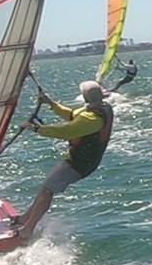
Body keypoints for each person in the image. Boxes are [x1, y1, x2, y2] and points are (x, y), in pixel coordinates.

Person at [16, 79, 114, 238]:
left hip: (80, 164)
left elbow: (65, 131)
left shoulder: (93, 119)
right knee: (46, 188)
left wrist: (36, 128)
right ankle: (24, 219)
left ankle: (28, 230)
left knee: (48, 190)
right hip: (77, 159)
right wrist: (50, 103)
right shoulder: (100, 108)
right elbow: (71, 115)